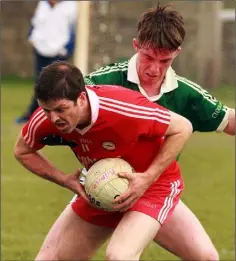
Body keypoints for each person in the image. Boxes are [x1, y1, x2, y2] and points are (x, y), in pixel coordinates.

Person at [83, 3, 235, 260]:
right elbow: (62, 113)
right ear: (135, 45)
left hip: (152, 190)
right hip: (103, 186)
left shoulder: (186, 95)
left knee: (207, 258)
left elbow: (230, 121)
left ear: (177, 52)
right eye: (148, 57)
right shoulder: (100, 84)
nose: (154, 68)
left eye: (164, 60)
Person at [14, 61, 193, 260]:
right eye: (47, 110)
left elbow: (183, 127)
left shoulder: (122, 107)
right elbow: (22, 151)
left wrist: (147, 178)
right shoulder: (45, 119)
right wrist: (64, 179)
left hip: (153, 186)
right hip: (101, 185)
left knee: (120, 255)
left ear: (81, 99)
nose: (53, 118)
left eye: (61, 109)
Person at [15, 0, 77, 124]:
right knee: (40, 84)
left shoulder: (71, 6)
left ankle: (43, 114)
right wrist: (31, 37)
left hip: (58, 53)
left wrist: (67, 49)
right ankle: (35, 114)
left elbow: (74, 31)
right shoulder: (43, 4)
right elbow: (36, 24)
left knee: (55, 86)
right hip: (41, 50)